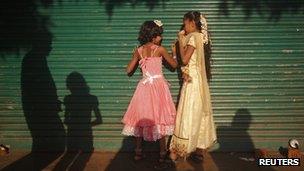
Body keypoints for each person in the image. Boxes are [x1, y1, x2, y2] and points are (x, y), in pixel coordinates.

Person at [121, 20, 178, 167]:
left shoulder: (139, 50)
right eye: (159, 35)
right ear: (153, 36)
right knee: (160, 118)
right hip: (158, 88)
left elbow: (128, 70)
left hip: (144, 88)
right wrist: (175, 53)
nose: (161, 38)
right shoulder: (160, 49)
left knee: (141, 119)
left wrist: (136, 57)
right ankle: (162, 155)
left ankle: (138, 153)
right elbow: (174, 65)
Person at [169, 11, 217, 163]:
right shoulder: (199, 38)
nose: (184, 26)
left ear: (192, 23)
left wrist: (179, 41)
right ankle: (198, 150)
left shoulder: (193, 38)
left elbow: (184, 60)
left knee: (188, 113)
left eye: (185, 23)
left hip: (192, 83)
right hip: (195, 81)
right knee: (197, 114)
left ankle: (176, 153)